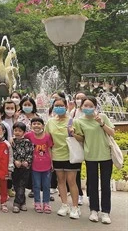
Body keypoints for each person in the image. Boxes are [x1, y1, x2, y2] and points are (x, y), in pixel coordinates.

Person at [73, 96, 115, 224]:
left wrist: (101, 123)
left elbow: (112, 133)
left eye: (91, 106)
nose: (88, 108)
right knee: (92, 184)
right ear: (81, 107)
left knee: (105, 184)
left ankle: (106, 212)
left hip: (106, 155)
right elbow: (81, 138)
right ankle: (94, 210)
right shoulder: (79, 121)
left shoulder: (103, 117)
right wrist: (73, 133)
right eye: (85, 105)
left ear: (95, 107)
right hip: (90, 155)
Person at [45, 97, 81, 218]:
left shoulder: (73, 121)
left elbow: (82, 138)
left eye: (61, 106)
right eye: (56, 106)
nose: (58, 108)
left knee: (72, 181)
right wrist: (49, 158)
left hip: (71, 155)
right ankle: (64, 205)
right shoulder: (50, 122)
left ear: (66, 107)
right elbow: (47, 141)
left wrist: (73, 133)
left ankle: (75, 207)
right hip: (57, 155)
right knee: (60, 181)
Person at [25, 117, 54, 214]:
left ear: (43, 125)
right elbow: (19, 137)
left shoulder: (47, 137)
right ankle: (37, 202)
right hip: (34, 166)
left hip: (46, 165)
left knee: (46, 185)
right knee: (36, 185)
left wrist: (52, 162)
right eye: (34, 123)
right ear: (31, 125)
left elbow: (50, 149)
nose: (36, 125)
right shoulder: (29, 135)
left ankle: (46, 203)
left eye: (38, 123)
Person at [11, 122, 33, 213]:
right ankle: (22, 202)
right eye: (15, 130)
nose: (17, 133)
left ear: (24, 132)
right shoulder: (12, 142)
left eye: (19, 131)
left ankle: (16, 203)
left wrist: (26, 162)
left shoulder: (27, 142)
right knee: (16, 185)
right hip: (15, 167)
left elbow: (30, 153)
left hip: (25, 168)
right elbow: (10, 154)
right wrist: (14, 161)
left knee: (22, 185)